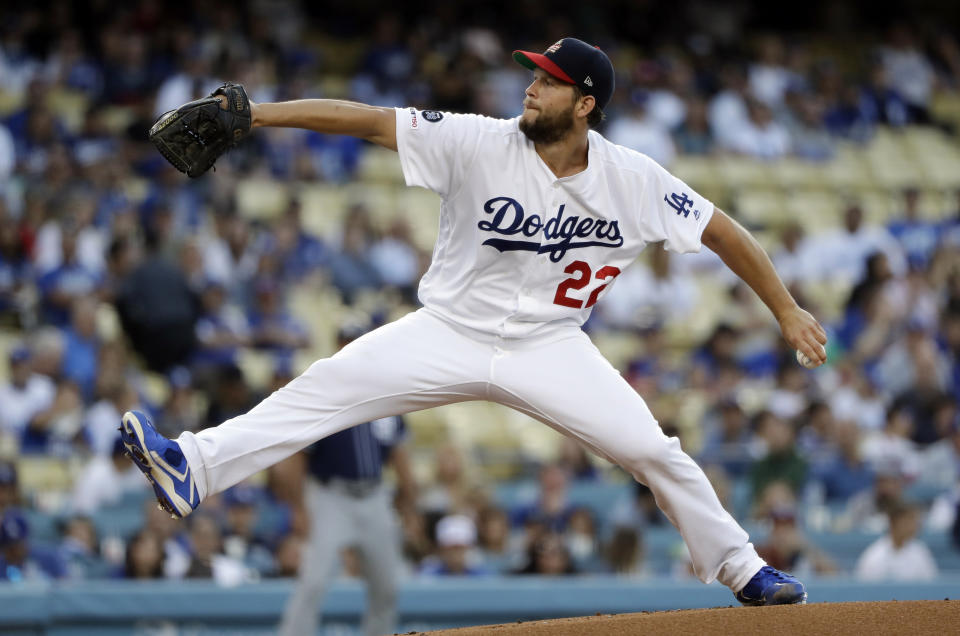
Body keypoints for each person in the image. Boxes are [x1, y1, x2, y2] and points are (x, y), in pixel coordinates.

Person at [120, 37, 828, 606]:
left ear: (585, 104)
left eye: (549, 81)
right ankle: (194, 467)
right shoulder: (477, 140)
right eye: (533, 75)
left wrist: (787, 308)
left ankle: (743, 569)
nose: (531, 86)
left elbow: (722, 230)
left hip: (550, 345)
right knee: (323, 389)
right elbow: (366, 119)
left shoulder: (633, 178)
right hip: (448, 330)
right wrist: (259, 115)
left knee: (652, 450)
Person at [276, 318, 416, 636]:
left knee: (387, 587)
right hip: (330, 498)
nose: (350, 347)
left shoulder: (386, 394)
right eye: (345, 341)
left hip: (375, 496)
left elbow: (399, 455)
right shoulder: (322, 396)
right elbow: (296, 460)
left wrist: (409, 505)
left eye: (355, 340)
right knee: (313, 584)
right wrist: (299, 508)